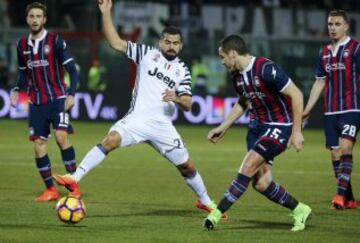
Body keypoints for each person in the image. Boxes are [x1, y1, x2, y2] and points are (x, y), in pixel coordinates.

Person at [53, 0, 227, 219]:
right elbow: (116, 43)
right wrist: (106, 13)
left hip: (162, 125)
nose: (171, 46)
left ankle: (204, 201)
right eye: (167, 41)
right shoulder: (145, 53)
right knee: (111, 139)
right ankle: (74, 179)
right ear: (160, 42)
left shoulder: (182, 70)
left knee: (187, 167)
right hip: (137, 119)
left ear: (181, 46)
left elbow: (189, 104)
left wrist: (177, 98)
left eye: (176, 43)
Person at [203, 34, 312, 232]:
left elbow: (296, 94)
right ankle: (299, 209)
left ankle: (216, 214)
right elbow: (244, 102)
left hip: (279, 126)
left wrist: (296, 132)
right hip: (256, 128)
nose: (222, 61)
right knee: (261, 183)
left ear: (233, 54)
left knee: (248, 165)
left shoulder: (265, 68)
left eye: (222, 57)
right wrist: (223, 127)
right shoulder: (236, 76)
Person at [9, 2, 78, 202]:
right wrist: (16, 89)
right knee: (38, 145)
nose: (35, 19)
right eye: (32, 16)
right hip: (36, 102)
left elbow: (72, 71)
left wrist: (71, 94)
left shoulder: (55, 41)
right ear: (27, 19)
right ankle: (50, 189)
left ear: (44, 19)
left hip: (57, 99)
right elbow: (23, 73)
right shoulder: (22, 45)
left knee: (61, 137)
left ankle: (74, 186)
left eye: (39, 16)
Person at [303, 9, 360, 210]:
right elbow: (319, 82)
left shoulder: (355, 48)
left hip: (352, 108)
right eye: (330, 24)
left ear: (346, 26)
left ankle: (338, 196)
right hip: (330, 111)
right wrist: (307, 108)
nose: (333, 28)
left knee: (346, 148)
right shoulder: (324, 52)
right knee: (335, 154)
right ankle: (350, 199)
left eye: (337, 24)